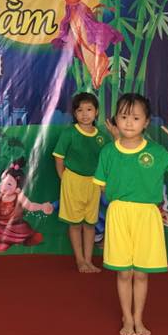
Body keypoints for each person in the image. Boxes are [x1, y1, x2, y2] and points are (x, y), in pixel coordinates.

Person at [94, 94, 168, 335]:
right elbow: (102, 185)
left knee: (141, 273)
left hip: (147, 215)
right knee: (124, 272)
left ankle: (138, 319)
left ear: (146, 122)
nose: (129, 122)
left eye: (136, 118)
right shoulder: (108, 152)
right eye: (124, 116)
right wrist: (121, 199)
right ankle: (127, 319)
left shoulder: (156, 151)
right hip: (119, 214)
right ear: (116, 119)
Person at [53, 92, 113, 272]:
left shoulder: (101, 136)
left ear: (96, 112)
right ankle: (80, 261)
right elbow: (59, 157)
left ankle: (88, 261)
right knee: (75, 223)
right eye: (80, 110)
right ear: (74, 113)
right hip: (72, 181)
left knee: (90, 223)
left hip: (93, 183)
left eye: (89, 109)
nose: (85, 114)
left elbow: (109, 160)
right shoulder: (69, 133)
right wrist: (64, 179)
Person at [44, 0, 123, 88]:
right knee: (82, 44)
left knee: (88, 42)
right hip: (71, 14)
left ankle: (100, 68)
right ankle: (98, 71)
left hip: (80, 13)